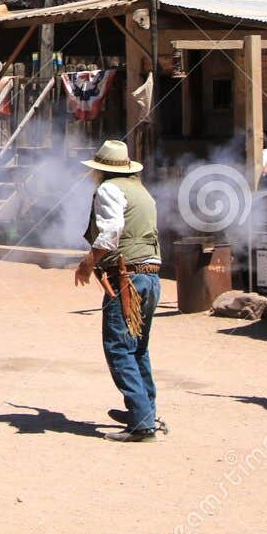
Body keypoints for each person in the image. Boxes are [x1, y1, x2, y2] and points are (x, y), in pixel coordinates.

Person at [74, 139, 166, 442]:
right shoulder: (141, 190)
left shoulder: (108, 189)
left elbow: (111, 232)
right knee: (137, 347)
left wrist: (88, 262)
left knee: (118, 347)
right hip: (149, 275)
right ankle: (146, 411)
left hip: (128, 277)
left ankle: (142, 421)